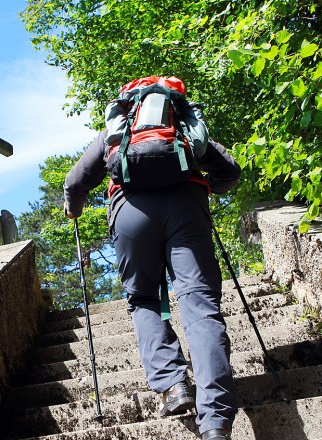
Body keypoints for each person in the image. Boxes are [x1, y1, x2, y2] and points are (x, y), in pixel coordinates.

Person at [63, 124, 241, 439]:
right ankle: (216, 421)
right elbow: (229, 171)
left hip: (131, 211)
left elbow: (76, 182)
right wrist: (207, 186)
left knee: (144, 299)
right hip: (186, 205)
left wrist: (72, 208)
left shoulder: (117, 130)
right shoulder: (181, 127)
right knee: (199, 303)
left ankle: (173, 386)